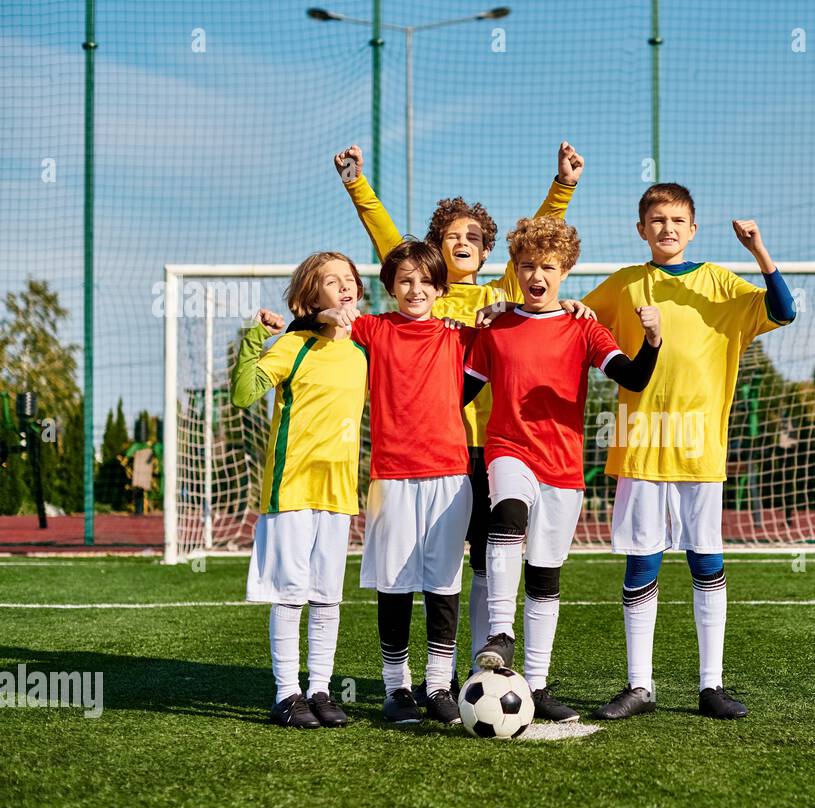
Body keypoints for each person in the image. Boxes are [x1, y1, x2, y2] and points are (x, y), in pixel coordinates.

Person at [333, 142, 585, 690]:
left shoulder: (501, 298)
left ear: (490, 249)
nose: (463, 243)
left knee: (484, 562)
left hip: (495, 450)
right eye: (452, 237)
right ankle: (423, 677)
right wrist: (358, 185)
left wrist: (562, 187)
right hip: (430, 454)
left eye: (473, 237)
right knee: (429, 570)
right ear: (435, 247)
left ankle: (481, 663)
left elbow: (542, 245)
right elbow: (389, 244)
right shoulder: (420, 296)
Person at [579, 184, 797, 719]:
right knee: (642, 562)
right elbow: (575, 326)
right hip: (639, 444)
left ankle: (711, 685)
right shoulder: (625, 284)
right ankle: (639, 686)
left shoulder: (720, 283)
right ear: (641, 229)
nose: (667, 228)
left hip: (700, 447)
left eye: (677, 220)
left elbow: (784, 310)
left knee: (706, 561)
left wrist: (759, 253)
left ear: (693, 228)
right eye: (656, 220)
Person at [464, 217, 661, 721]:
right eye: (526, 265)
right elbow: (459, 392)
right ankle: (500, 634)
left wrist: (653, 340)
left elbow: (633, 378)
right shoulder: (496, 326)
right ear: (515, 268)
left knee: (546, 575)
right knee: (507, 515)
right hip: (507, 448)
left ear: (565, 270)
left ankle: (538, 685)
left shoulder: (583, 327)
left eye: (547, 267)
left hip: (563, 466)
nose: (536, 275)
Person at [318, 240, 474, 726]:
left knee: (444, 583)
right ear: (388, 288)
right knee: (394, 583)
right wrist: (330, 314)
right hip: (392, 475)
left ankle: (440, 685)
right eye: (405, 281)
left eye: (426, 281)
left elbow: (510, 327)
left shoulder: (459, 337)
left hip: (450, 473)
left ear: (441, 288)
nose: (415, 289)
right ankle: (396, 689)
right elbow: (317, 313)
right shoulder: (373, 329)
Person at [232, 252, 368, 729]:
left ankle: (322, 690)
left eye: (349, 279)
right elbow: (243, 393)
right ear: (313, 295)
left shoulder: (361, 351)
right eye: (332, 282)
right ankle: (287, 695)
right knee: (291, 594)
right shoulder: (293, 347)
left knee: (328, 595)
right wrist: (255, 337)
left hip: (340, 493)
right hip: (291, 489)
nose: (345, 287)